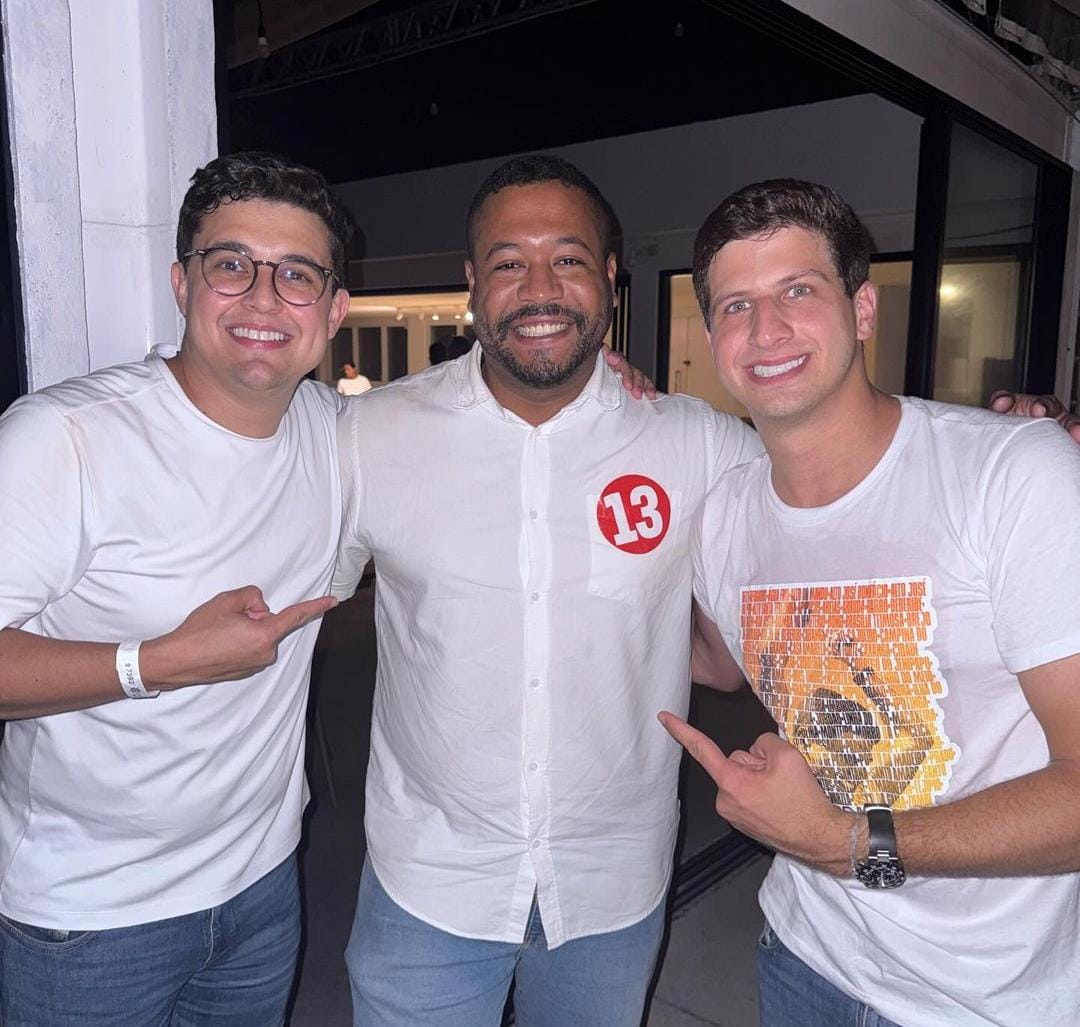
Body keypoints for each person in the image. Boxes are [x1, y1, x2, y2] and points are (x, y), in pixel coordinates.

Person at [332, 154, 763, 1026]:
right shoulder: (369, 435)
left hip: (611, 887)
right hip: (429, 883)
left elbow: (843, 505)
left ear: (608, 279)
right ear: (471, 284)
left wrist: (997, 439)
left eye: (567, 258)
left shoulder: (695, 442)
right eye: (507, 262)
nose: (538, 287)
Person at [662, 179, 1080, 1026]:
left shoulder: (1010, 475)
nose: (765, 329)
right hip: (802, 951)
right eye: (736, 304)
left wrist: (845, 844)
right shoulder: (725, 517)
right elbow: (724, 663)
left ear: (861, 308)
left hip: (981, 998)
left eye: (797, 291)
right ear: (711, 336)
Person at [0, 151, 352, 1025]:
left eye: (297, 274)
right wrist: (154, 662)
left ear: (335, 309)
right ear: (183, 284)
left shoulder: (339, 436)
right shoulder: (66, 440)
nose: (264, 298)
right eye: (231, 264)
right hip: (88, 917)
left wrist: (602, 381)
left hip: (264, 888)